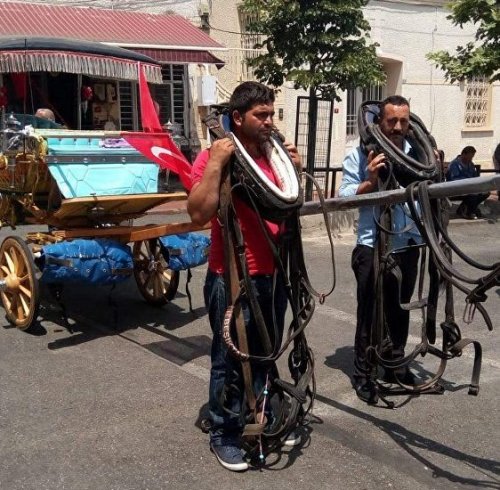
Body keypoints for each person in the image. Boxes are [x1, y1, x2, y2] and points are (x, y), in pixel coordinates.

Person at [187, 81, 302, 471]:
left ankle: (260, 414)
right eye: (261, 115)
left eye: (272, 114)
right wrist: (218, 163)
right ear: (237, 118)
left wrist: (295, 170)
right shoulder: (212, 158)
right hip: (232, 276)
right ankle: (224, 433)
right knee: (229, 358)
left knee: (266, 352)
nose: (269, 121)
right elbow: (198, 213)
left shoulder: (275, 159)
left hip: (273, 274)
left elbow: (286, 204)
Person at [339, 95, 423, 405]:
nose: (398, 127)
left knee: (399, 309)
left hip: (407, 244)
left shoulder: (418, 155)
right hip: (371, 246)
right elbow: (344, 197)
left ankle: (394, 365)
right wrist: (370, 181)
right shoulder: (359, 156)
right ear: (380, 122)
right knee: (370, 312)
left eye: (403, 121)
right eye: (392, 121)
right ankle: (364, 372)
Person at [447, 146, 489, 219]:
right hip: (457, 188)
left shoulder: (470, 164)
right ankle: (470, 212)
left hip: (469, 187)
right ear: (463, 154)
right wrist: (469, 181)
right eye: (469, 157)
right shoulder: (455, 164)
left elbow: (475, 177)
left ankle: (465, 209)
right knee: (473, 194)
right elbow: (454, 180)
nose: (470, 159)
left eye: (472, 157)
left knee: (485, 192)